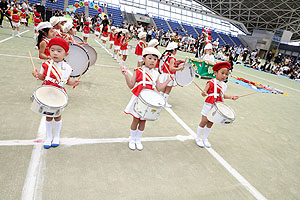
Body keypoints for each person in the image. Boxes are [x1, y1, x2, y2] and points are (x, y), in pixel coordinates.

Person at [32, 38, 80, 149]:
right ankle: (49, 137)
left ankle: (57, 136)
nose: (55, 53)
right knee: (48, 116)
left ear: (65, 54)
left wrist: (74, 82)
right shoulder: (46, 64)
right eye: (52, 50)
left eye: (59, 51)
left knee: (57, 116)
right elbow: (42, 77)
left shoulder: (67, 68)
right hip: (47, 92)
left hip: (58, 94)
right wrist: (36, 74)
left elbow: (67, 81)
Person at [121, 47, 172, 150]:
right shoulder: (138, 71)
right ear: (143, 59)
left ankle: (138, 139)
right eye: (150, 58)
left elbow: (159, 88)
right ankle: (132, 139)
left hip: (149, 100)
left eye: (155, 59)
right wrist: (126, 75)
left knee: (143, 121)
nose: (152, 61)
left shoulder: (156, 74)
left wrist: (167, 81)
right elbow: (131, 85)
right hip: (138, 98)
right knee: (136, 119)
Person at [195, 62, 239, 148]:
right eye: (222, 73)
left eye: (226, 74)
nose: (224, 76)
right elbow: (204, 93)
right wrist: (204, 93)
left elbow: (222, 95)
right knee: (204, 121)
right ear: (215, 73)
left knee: (211, 122)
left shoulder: (224, 85)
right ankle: (198, 138)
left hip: (217, 106)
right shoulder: (211, 82)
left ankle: (205, 138)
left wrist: (231, 97)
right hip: (208, 104)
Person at [159, 42, 184, 108]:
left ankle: (160, 101)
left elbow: (170, 63)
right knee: (168, 90)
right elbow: (171, 68)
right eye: (176, 50)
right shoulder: (172, 58)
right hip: (169, 75)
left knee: (163, 89)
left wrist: (179, 61)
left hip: (164, 74)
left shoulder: (166, 55)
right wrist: (180, 68)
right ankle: (164, 103)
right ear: (173, 50)